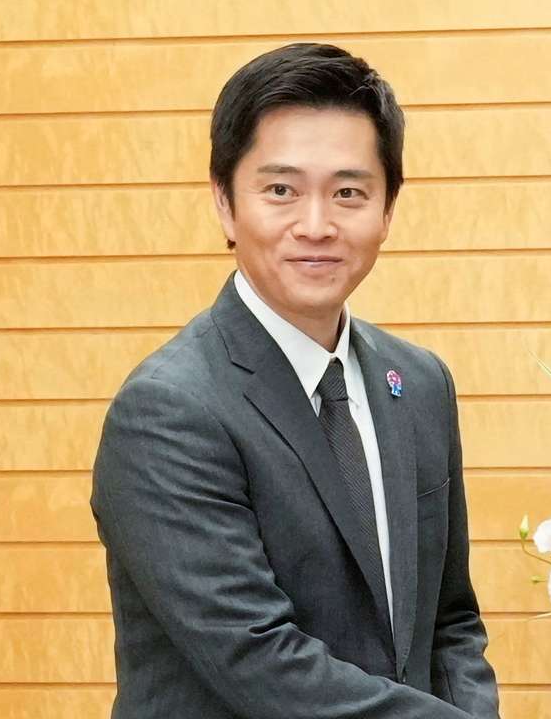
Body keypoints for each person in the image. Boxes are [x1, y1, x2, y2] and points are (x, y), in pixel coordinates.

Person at [92, 43, 499, 718]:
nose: (317, 226)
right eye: (281, 190)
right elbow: (256, 659)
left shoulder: (420, 384)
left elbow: (450, 622)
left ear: (388, 209)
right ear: (225, 204)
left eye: (349, 192)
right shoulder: (169, 409)